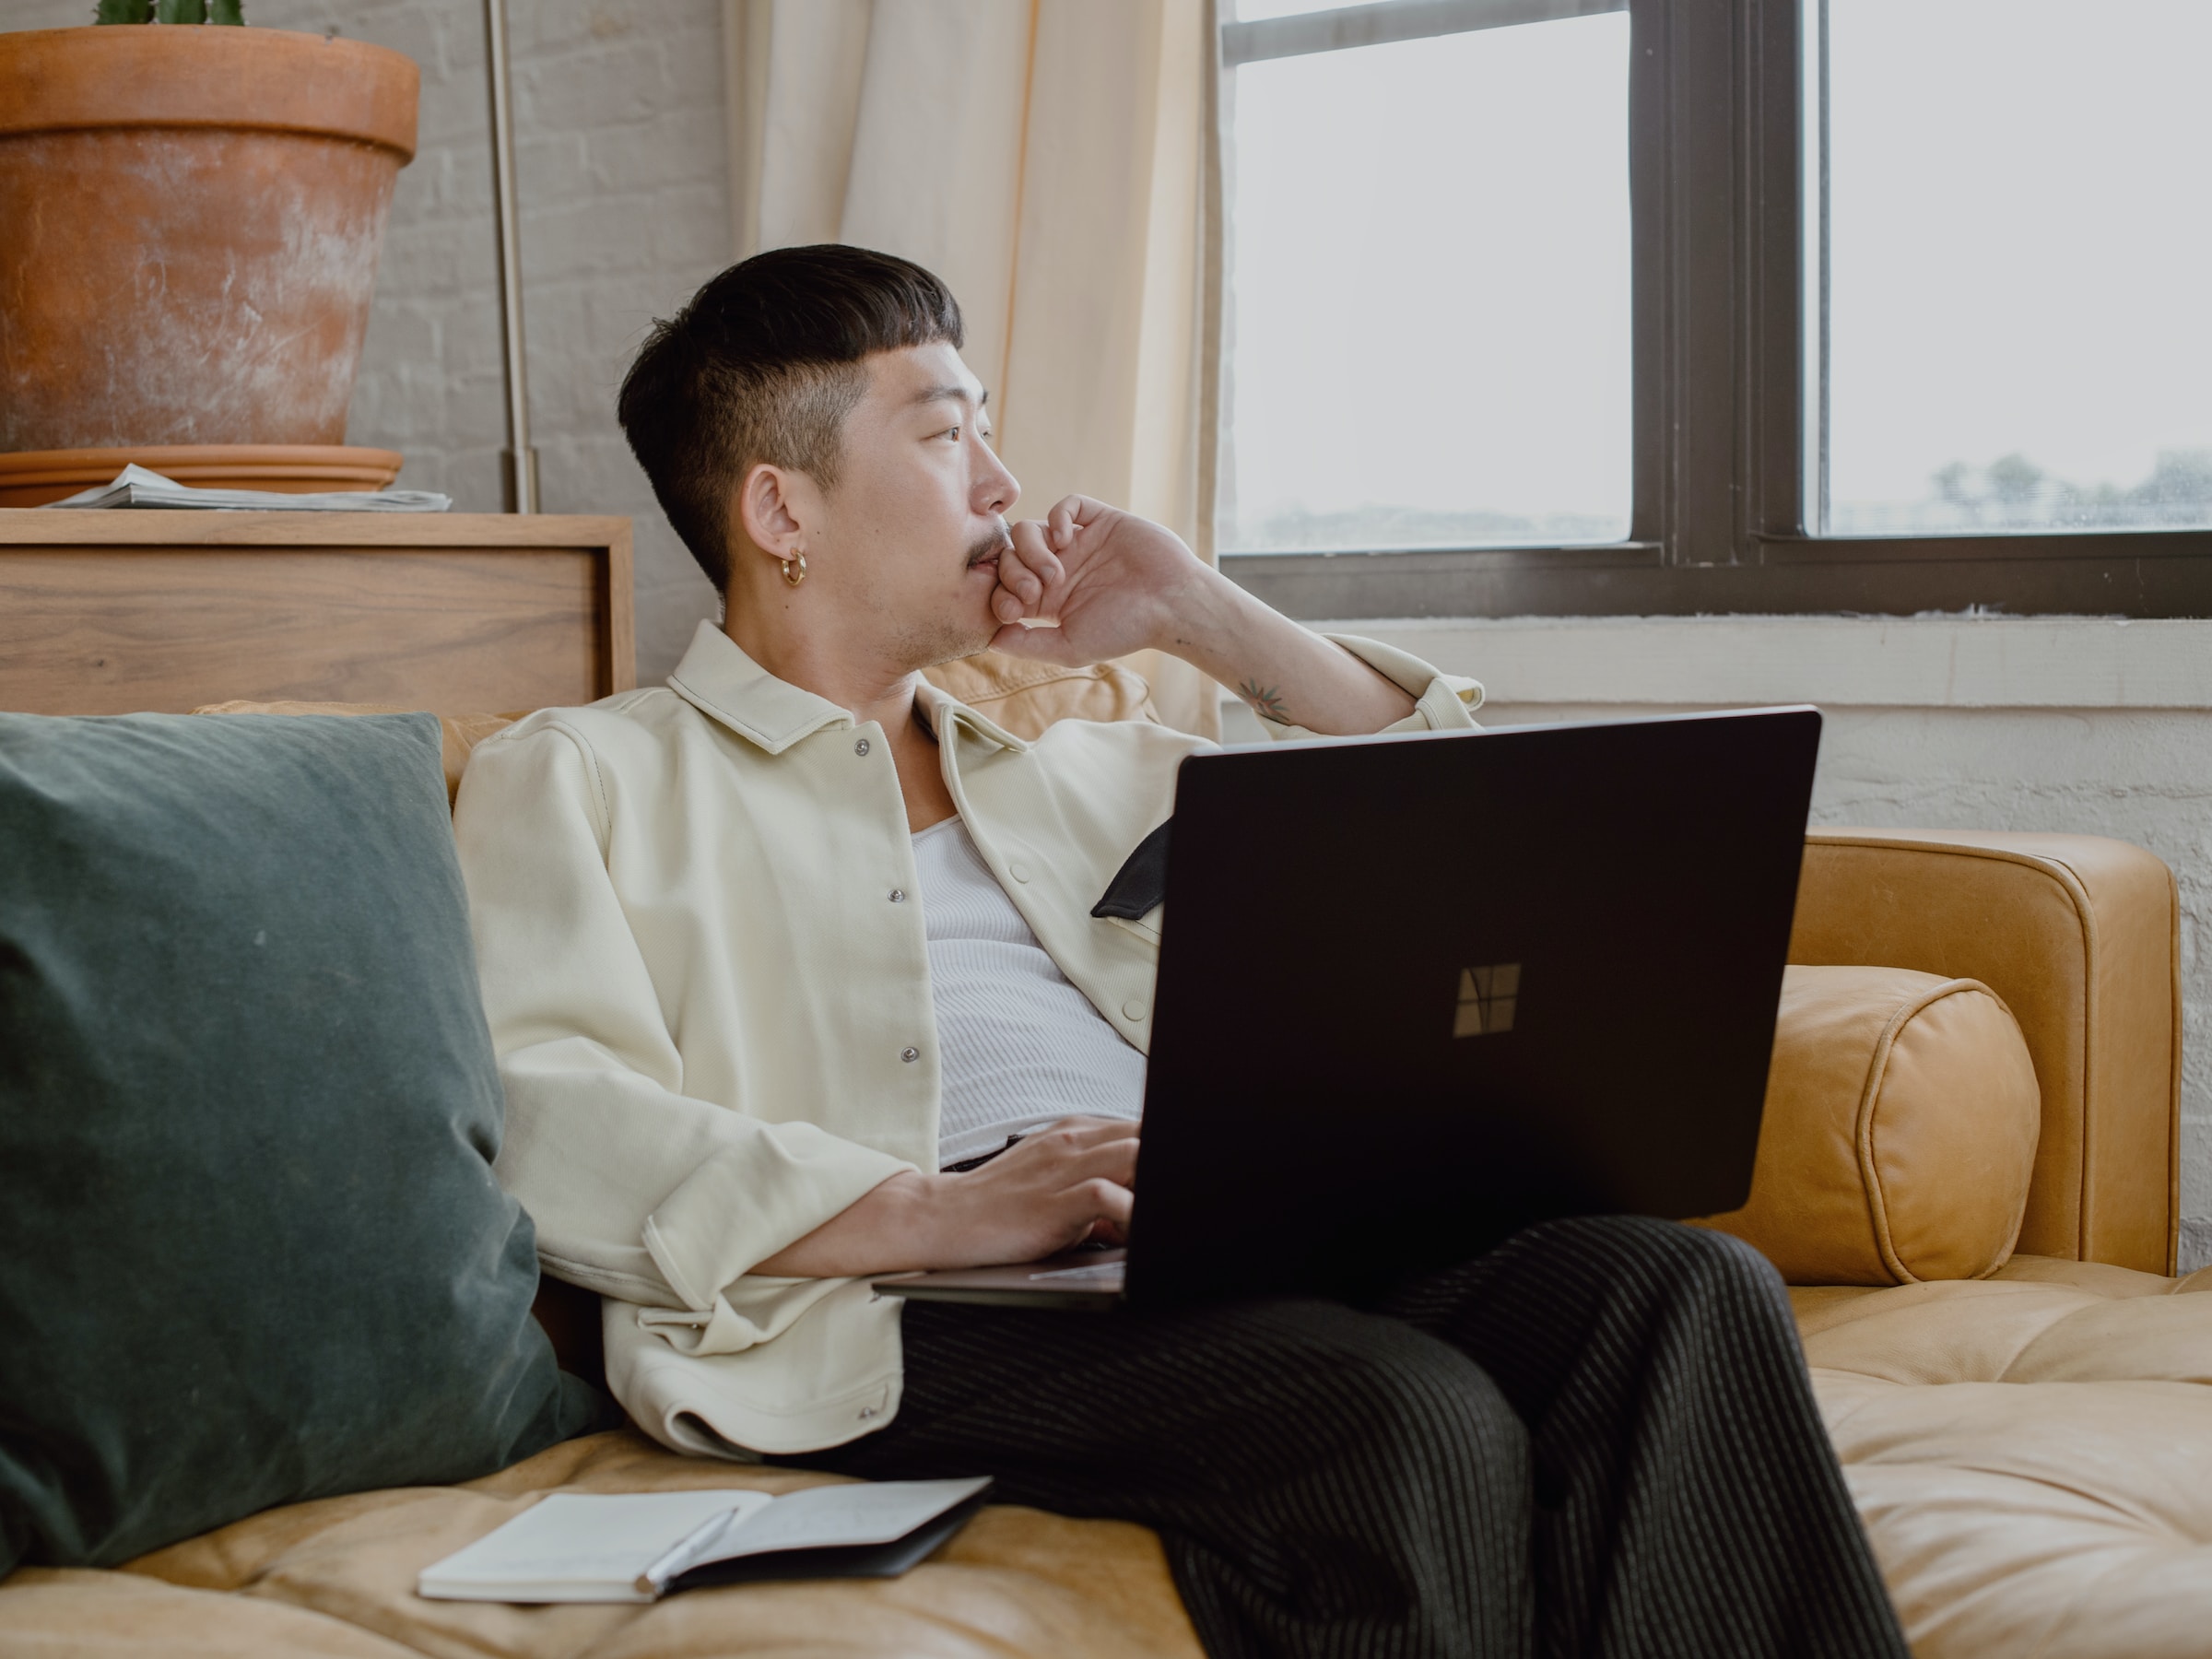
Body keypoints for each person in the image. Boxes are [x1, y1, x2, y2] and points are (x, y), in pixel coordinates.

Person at [453, 243, 1907, 1659]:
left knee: (1684, 1290)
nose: (1005, 485)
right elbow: (555, 1115)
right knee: (1399, 1417)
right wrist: (943, 1210)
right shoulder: (582, 775)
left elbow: (1459, 825)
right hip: (906, 1306)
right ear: (782, 510)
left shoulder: (1088, 767)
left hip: (1219, 1238)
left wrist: (1197, 614)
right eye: (948, 434)